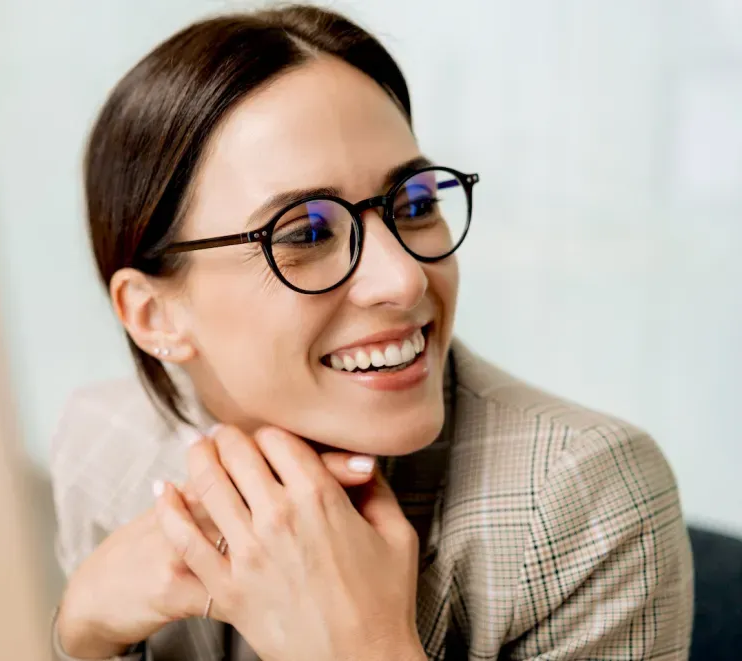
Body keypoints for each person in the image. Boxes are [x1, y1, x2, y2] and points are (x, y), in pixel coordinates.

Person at [50, 5, 693, 660]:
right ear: (153, 314)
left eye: (414, 205)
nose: (405, 279)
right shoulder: (103, 444)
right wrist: (84, 630)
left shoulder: (580, 501)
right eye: (305, 233)